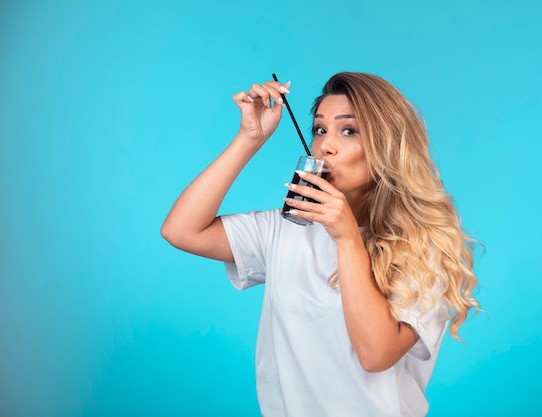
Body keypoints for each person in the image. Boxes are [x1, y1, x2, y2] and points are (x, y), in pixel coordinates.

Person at [161, 72, 480, 417]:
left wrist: (346, 237)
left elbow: (375, 355)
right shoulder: (285, 229)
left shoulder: (423, 246)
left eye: (348, 130)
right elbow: (181, 231)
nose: (326, 145)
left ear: (387, 144)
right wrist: (249, 138)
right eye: (319, 129)